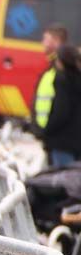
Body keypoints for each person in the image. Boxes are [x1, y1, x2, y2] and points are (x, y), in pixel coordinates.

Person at [37, 45, 81, 171]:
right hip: (76, 142)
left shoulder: (62, 81)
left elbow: (61, 112)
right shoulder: (77, 80)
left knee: (61, 180)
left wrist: (47, 130)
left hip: (62, 141)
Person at [35, 25, 71, 165]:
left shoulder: (62, 69)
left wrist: (47, 129)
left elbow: (62, 105)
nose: (42, 43)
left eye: (46, 39)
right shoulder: (53, 66)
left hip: (60, 137)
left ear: (56, 40)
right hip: (53, 136)